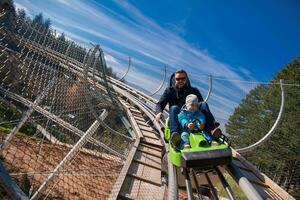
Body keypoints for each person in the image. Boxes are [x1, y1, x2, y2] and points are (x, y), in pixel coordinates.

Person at [155, 69, 221, 146]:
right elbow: (160, 104)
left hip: (193, 116)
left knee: (203, 104)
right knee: (174, 108)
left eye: (183, 78)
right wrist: (159, 112)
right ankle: (175, 135)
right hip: (178, 117)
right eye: (178, 79)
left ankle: (211, 130)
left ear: (186, 79)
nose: (180, 81)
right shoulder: (169, 91)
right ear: (174, 79)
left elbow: (201, 105)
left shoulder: (193, 90)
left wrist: (203, 119)